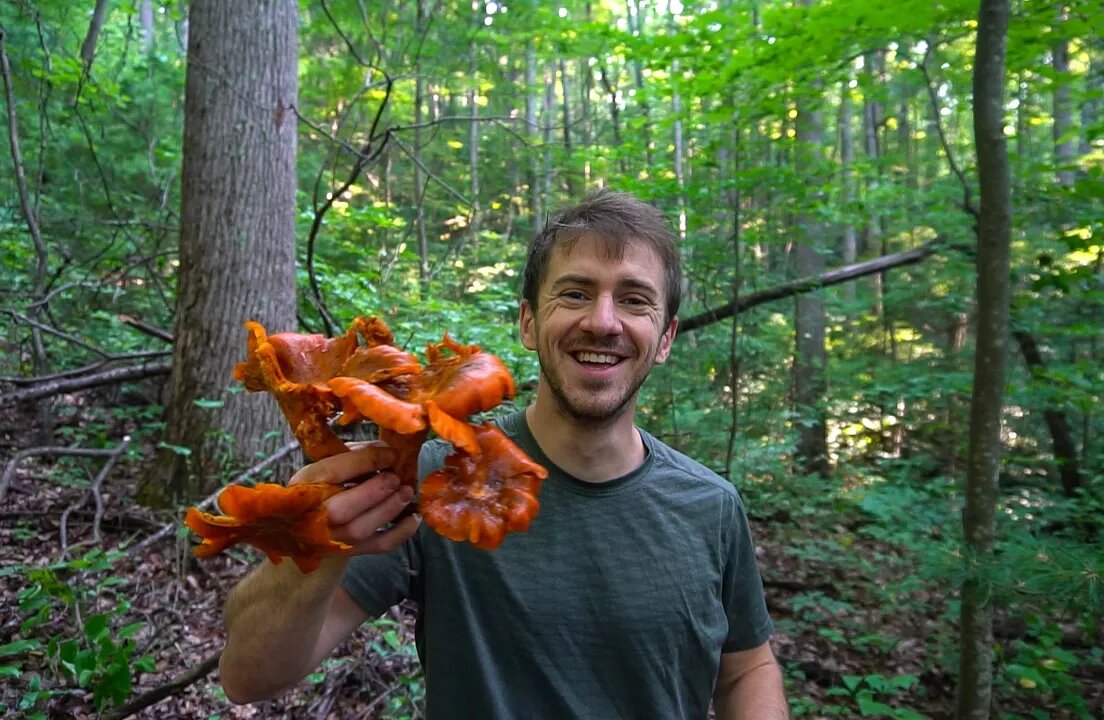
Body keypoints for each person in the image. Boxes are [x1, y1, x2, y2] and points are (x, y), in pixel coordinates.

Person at [218, 190, 789, 719]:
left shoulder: (711, 505)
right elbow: (247, 676)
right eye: (575, 293)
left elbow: (746, 669)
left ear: (665, 338)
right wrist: (319, 539)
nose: (603, 321)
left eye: (635, 300)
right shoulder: (429, 480)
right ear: (527, 321)